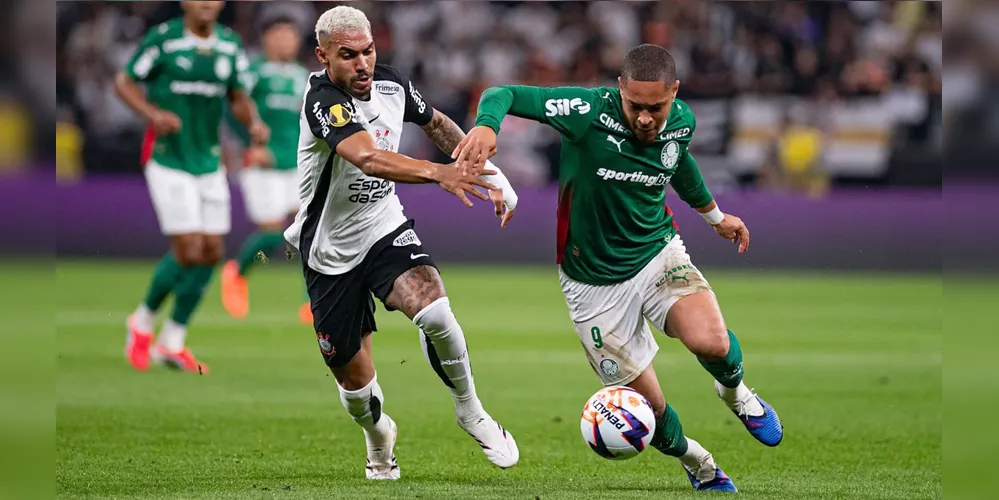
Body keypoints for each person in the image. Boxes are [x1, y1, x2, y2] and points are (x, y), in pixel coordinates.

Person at [455, 44, 785, 492]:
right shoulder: (586, 111)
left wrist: (715, 217)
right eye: (635, 106)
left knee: (712, 342)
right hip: (592, 286)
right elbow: (503, 93)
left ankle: (736, 394)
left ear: (674, 92)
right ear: (620, 90)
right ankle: (697, 460)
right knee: (649, 412)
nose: (645, 118)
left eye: (656, 107)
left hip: (656, 253)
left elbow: (677, 162)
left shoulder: (682, 121)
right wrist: (486, 126)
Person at [284, 6, 520, 480]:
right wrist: (438, 173)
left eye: (368, 51)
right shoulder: (323, 100)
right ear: (323, 56)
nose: (363, 64)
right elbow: (369, 158)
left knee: (437, 313)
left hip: (383, 227)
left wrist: (490, 173)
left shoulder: (391, 83)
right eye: (348, 55)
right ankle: (379, 436)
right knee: (357, 391)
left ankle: (470, 410)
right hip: (329, 251)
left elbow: (436, 124)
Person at [116, 1, 269, 374]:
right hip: (168, 158)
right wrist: (152, 114)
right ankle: (142, 322)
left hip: (209, 160)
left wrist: (252, 123)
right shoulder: (165, 40)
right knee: (188, 248)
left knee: (212, 249)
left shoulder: (229, 46)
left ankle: (172, 341)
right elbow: (124, 82)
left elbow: (238, 97)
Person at [220, 16, 313, 324]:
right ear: (267, 38)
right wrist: (249, 142)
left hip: (296, 162)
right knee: (273, 235)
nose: (286, 41)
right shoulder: (253, 71)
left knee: (309, 232)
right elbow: (231, 107)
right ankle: (237, 271)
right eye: (280, 35)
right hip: (263, 164)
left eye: (291, 35)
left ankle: (311, 301)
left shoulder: (303, 75)